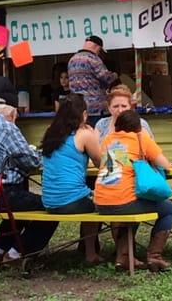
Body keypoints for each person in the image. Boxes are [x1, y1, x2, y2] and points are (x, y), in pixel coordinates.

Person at [0, 98, 58, 263]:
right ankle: (18, 254)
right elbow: (30, 160)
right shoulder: (7, 127)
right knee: (52, 206)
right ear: (12, 115)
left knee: (21, 200)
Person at [94, 110, 172, 272]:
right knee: (168, 209)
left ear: (117, 127)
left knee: (132, 203)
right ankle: (155, 256)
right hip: (123, 201)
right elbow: (165, 165)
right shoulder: (140, 138)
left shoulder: (108, 139)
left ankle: (123, 256)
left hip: (100, 202)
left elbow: (115, 165)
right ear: (139, 127)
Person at [41, 93, 102, 265]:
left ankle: (88, 250)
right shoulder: (84, 134)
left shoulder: (50, 132)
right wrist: (95, 137)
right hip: (72, 201)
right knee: (102, 200)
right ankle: (91, 252)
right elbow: (101, 163)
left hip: (49, 201)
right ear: (83, 114)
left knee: (88, 195)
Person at [68, 35, 118, 127]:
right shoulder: (93, 59)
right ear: (97, 47)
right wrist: (115, 74)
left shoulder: (72, 60)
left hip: (78, 108)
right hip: (95, 108)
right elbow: (106, 78)